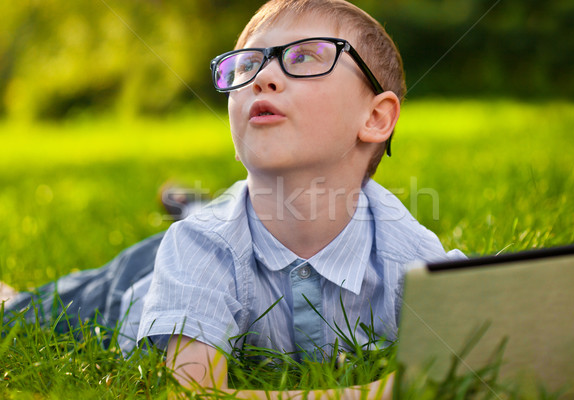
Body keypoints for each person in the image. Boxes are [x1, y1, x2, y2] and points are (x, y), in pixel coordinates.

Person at [4, 0, 465, 398]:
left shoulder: (406, 254)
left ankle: (192, 200)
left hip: (225, 234)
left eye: (305, 57)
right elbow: (196, 392)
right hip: (137, 286)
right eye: (246, 64)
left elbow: (486, 346)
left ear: (377, 117)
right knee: (19, 313)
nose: (262, 76)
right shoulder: (199, 248)